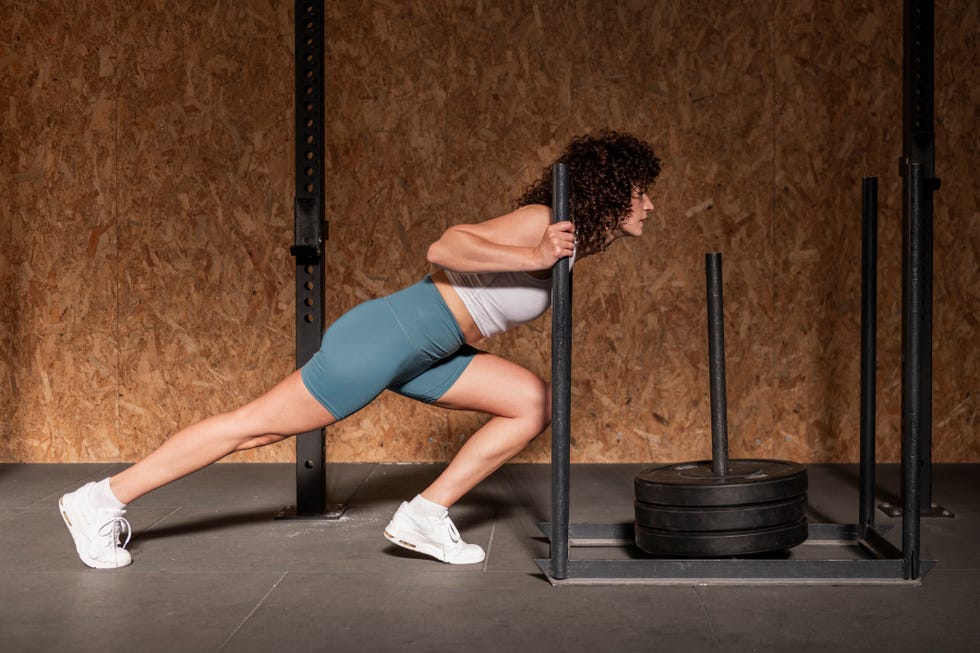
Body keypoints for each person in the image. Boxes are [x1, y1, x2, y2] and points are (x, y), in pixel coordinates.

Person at [59, 131, 662, 569]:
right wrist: (532, 258)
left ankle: (425, 514)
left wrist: (546, 258)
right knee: (253, 429)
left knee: (533, 402)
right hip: (391, 335)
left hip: (434, 350)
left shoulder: (575, 239)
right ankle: (101, 499)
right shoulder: (542, 221)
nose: (651, 205)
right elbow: (444, 247)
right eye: (643, 191)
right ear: (615, 188)